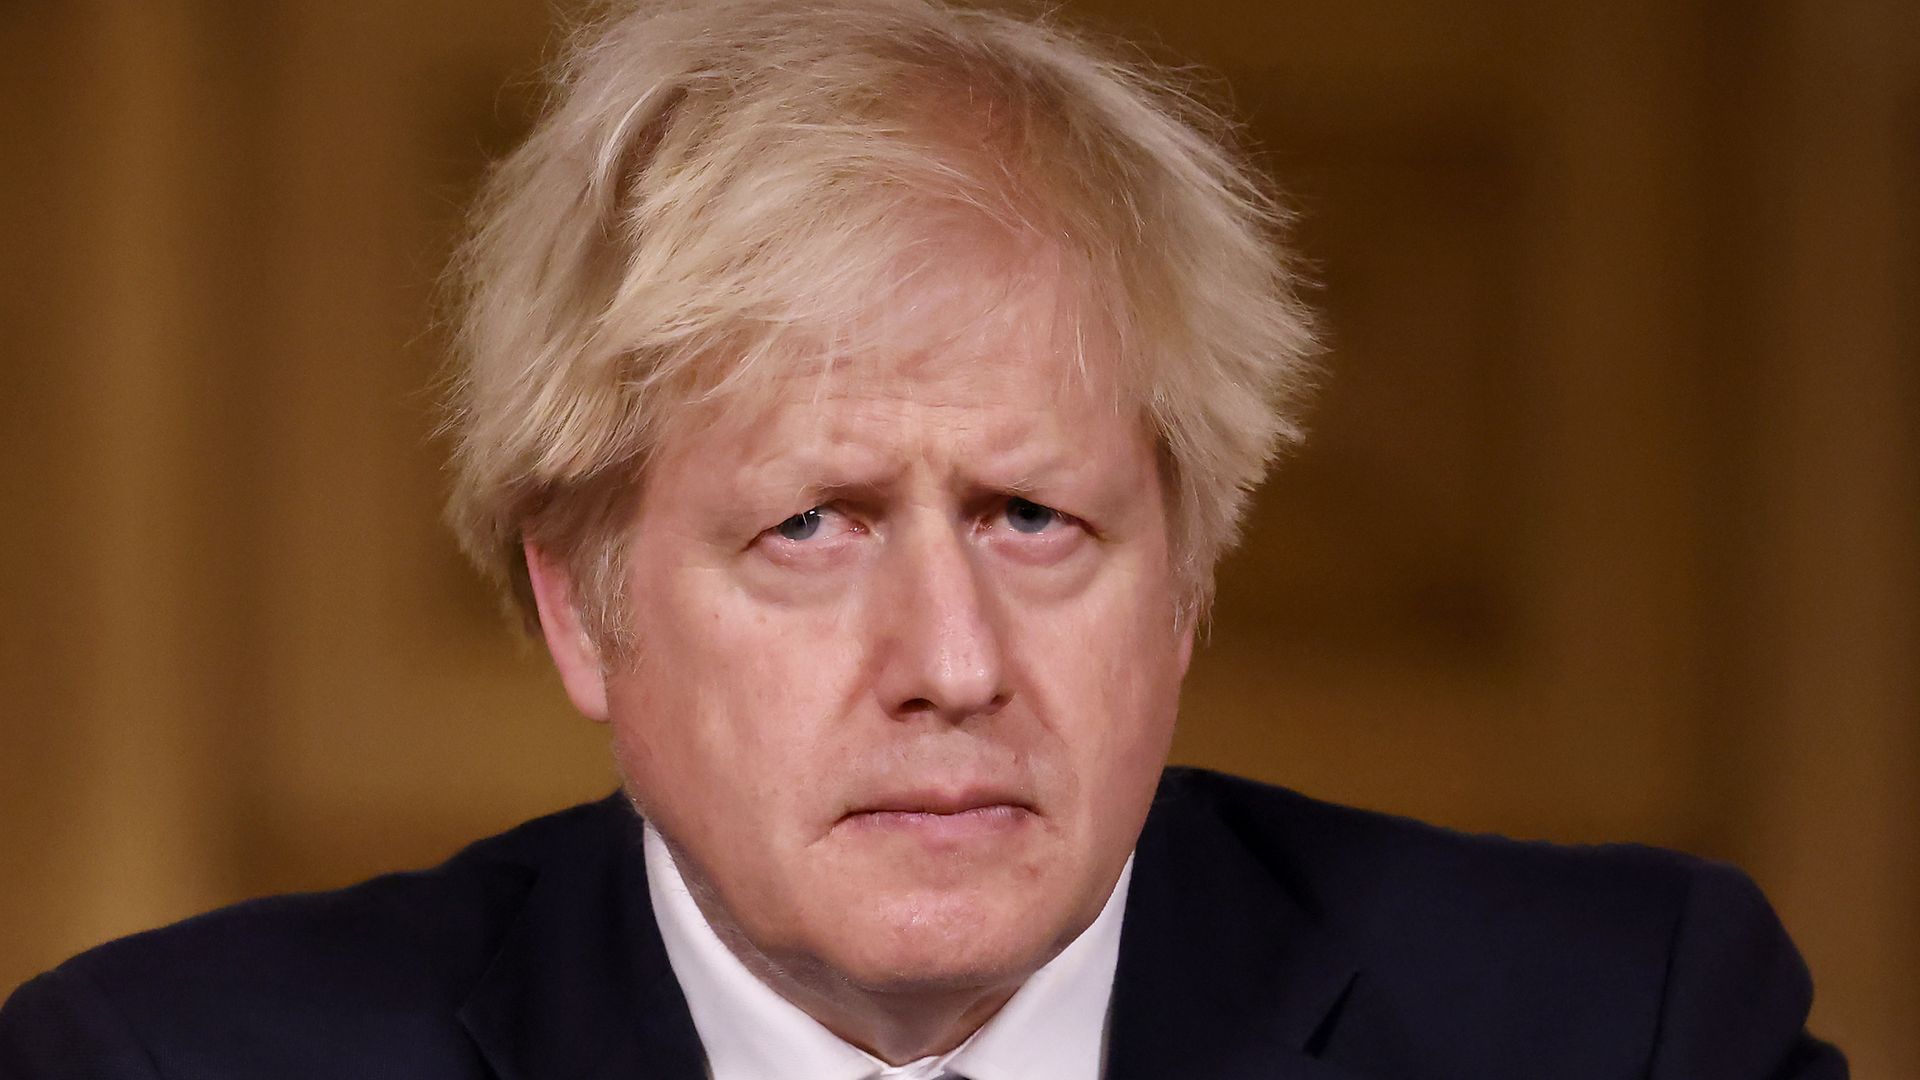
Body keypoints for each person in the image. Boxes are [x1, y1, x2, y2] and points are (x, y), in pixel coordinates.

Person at [0, 0, 1845, 1077]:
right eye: (812, 525)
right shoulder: (170, 1067)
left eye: (1036, 517)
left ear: (1187, 578)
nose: (954, 665)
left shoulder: (1626, 1037)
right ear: (583, 606)